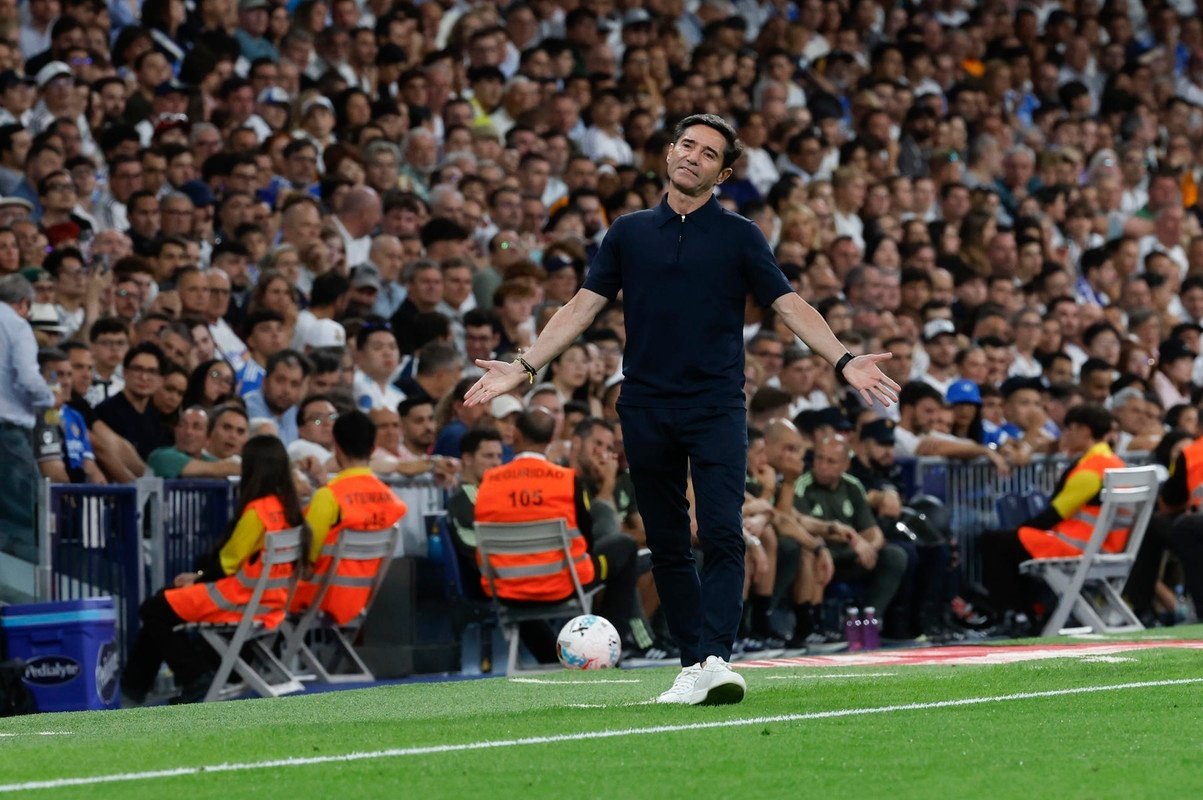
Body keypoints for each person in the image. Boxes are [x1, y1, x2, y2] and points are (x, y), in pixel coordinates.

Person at [465, 114, 898, 705]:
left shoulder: (740, 235)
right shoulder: (628, 232)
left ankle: (716, 656)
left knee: (722, 532)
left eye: (707, 153)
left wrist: (844, 360)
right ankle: (696, 663)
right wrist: (524, 365)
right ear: (670, 153)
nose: (692, 156)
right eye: (686, 145)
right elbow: (580, 308)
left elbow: (789, 304)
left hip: (716, 405)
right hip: (643, 406)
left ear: (722, 173)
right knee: (668, 543)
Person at [121, 435, 310, 704]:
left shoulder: (258, 511)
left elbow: (226, 563)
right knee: (162, 605)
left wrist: (197, 578)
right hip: (271, 602)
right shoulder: (289, 511)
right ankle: (140, 688)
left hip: (236, 599)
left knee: (154, 609)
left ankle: (190, 678)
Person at [470, 409, 653, 659]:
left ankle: (549, 655)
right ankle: (607, 648)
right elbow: (587, 538)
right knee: (624, 546)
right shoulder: (566, 480)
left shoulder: (487, 483)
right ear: (551, 438)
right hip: (564, 584)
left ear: (515, 436)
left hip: (507, 588)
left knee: (520, 592)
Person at [976, 404, 1124, 629]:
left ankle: (1015, 615)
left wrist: (1021, 530)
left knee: (994, 541)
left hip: (1080, 547)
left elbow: (1052, 515)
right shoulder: (1114, 462)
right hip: (1106, 546)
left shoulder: (1091, 469)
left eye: (1069, 429)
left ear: (1084, 430)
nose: (1065, 435)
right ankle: (1029, 614)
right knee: (1010, 542)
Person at [291, 410, 407, 625]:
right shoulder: (393, 501)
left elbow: (306, 563)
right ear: (373, 449)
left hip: (317, 600)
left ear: (336, 446)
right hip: (361, 602)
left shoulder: (329, 496)